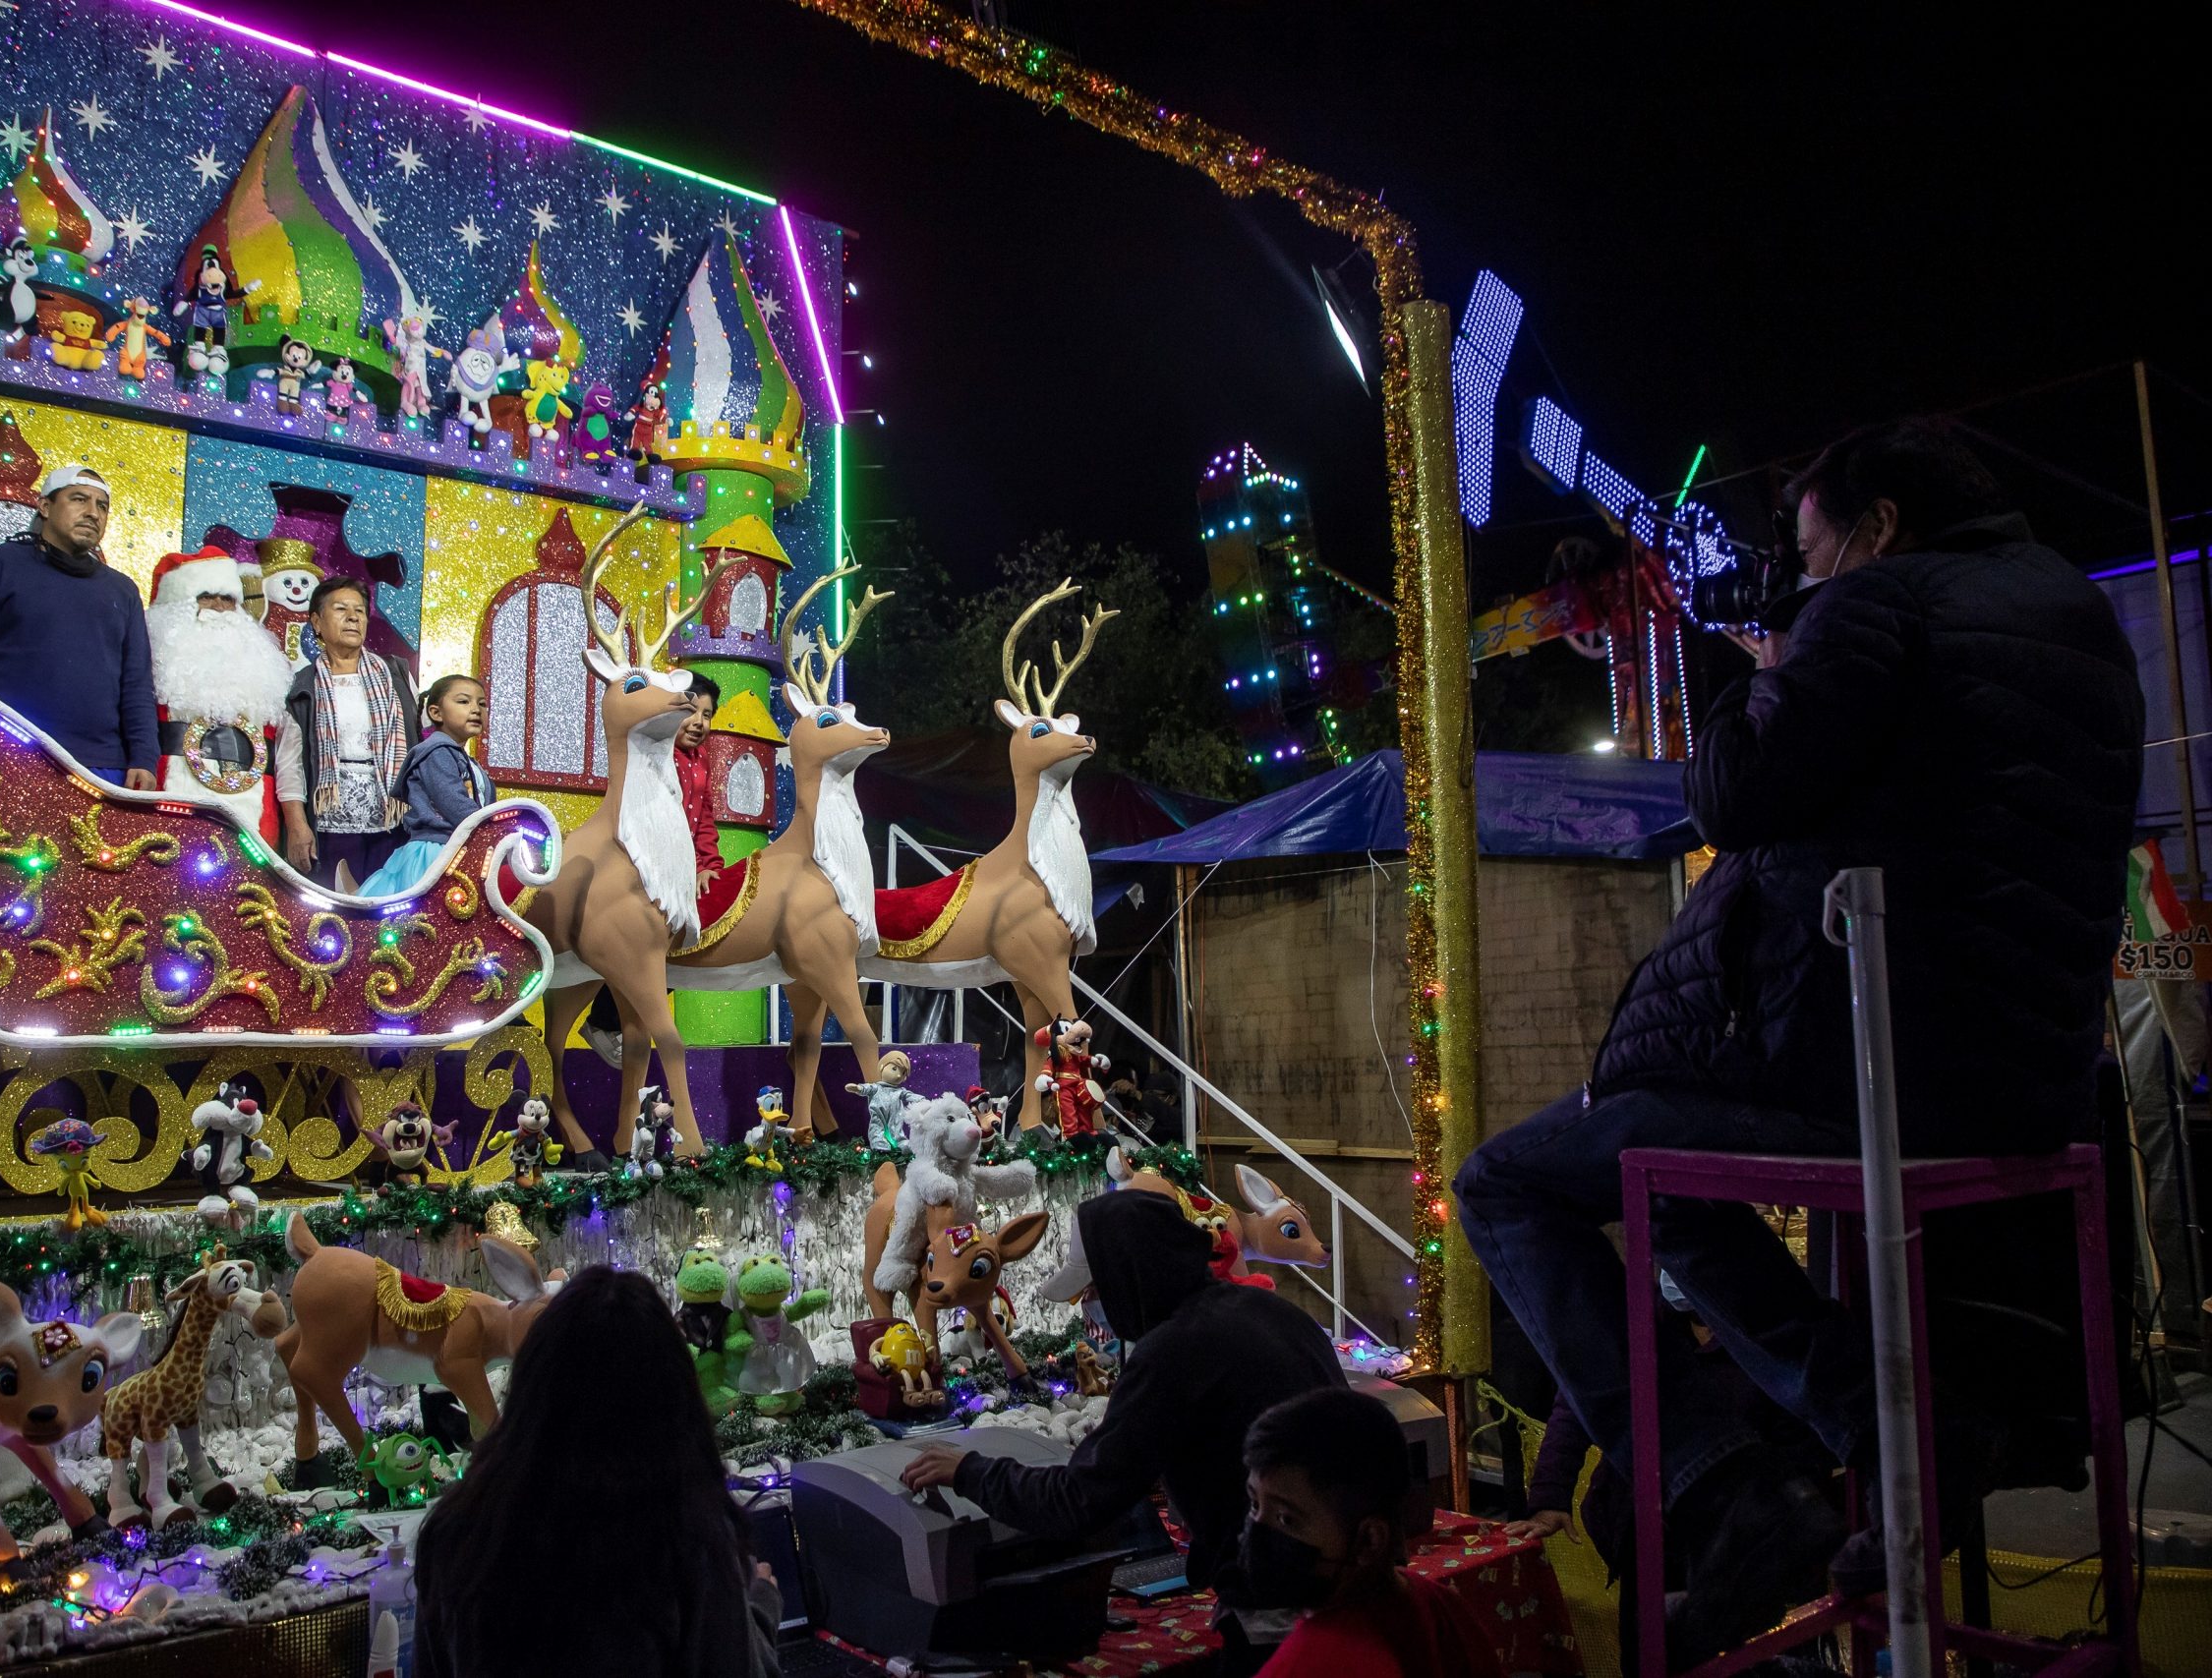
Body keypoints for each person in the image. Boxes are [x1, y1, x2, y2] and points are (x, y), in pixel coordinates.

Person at [1453, 420, 2145, 1659]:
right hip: (2026, 1073)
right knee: (1665, 1188)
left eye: (1815, 550)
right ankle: (1880, 1426)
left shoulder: (1877, 607)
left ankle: (1726, 1482)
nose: (1808, 575)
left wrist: (1762, 662)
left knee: (1504, 1181)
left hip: (1872, 1068)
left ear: (1877, 528)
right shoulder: (2070, 615)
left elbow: (1735, 790)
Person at [901, 1189, 1343, 1676]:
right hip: (1351, 1589)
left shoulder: (1174, 1350)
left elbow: (1078, 1501)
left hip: (1281, 1617)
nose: (1092, 1306)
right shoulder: (1275, 1313)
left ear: (1131, 1279)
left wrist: (968, 1470)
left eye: (1096, 1291)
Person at [412, 1266, 781, 1678]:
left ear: (534, 1383)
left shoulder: (457, 1532)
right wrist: (760, 1605)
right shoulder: (682, 1536)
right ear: (672, 1396)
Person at [1230, 1387, 1505, 1678]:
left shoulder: (1313, 1664)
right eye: (1255, 1503)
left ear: (1370, 1540)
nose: (1258, 1530)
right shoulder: (1438, 1602)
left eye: (1287, 1519)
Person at [0, 463, 158, 788]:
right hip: (7, 754)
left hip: (102, 766)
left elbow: (136, 682)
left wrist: (143, 757)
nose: (93, 513)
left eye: (102, 505)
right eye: (79, 499)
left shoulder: (121, 591)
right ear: (45, 506)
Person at [584, 674, 723, 1067]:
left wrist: (707, 864)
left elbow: (704, 820)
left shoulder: (700, 762)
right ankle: (604, 1022)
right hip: (648, 866)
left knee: (673, 951)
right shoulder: (653, 754)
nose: (698, 721)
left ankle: (631, 1025)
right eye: (690, 710)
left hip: (679, 870)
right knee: (636, 949)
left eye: (707, 715)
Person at [275, 576, 421, 890]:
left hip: (392, 821)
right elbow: (289, 767)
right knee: (334, 916)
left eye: (360, 610)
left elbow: (420, 745)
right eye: (340, 609)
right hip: (330, 823)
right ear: (316, 622)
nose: (353, 616)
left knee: (385, 915)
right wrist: (298, 826)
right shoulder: (302, 687)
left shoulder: (396, 675)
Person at [143, 546, 292, 840]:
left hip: (254, 800)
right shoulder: (154, 656)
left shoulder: (264, 664)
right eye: (206, 596)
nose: (219, 607)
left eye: (228, 599)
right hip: (170, 785)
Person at [358, 675, 494, 897]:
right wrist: (494, 830)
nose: (476, 709)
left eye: (482, 703)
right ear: (435, 713)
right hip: (436, 851)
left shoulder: (469, 763)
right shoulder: (437, 751)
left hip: (461, 848)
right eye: (463, 701)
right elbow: (454, 803)